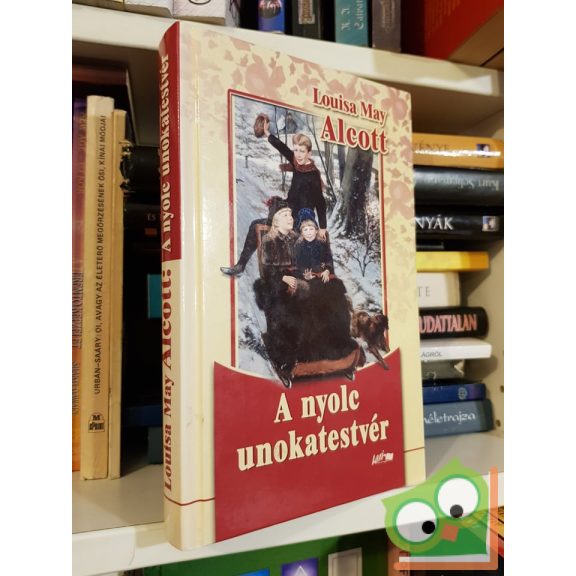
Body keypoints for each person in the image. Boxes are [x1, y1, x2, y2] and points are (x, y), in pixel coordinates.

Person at [220, 114, 327, 277]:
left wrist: (323, 227)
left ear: (309, 154)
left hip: (300, 222)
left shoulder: (313, 175)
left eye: (302, 151)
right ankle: (240, 266)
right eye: (296, 150)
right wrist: (267, 133)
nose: (298, 154)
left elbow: (320, 202)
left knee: (283, 249)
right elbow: (282, 147)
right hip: (287, 214)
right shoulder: (297, 164)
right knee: (255, 225)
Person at [294, 207, 333, 284]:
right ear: (302, 233)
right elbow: (297, 264)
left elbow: (328, 259)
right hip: (305, 275)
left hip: (321, 273)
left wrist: (327, 270)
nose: (309, 232)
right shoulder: (298, 246)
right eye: (305, 230)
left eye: (311, 229)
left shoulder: (322, 244)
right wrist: (304, 274)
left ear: (316, 231)